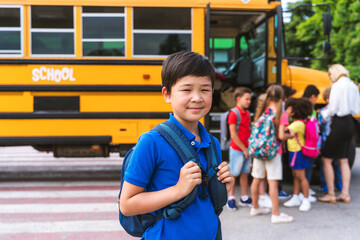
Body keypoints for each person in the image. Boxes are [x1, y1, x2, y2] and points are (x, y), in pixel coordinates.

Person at [119, 51, 234, 239]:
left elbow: (205, 201)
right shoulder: (152, 142)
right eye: (187, 90)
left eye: (205, 90)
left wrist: (224, 186)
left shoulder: (211, 143)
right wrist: (178, 189)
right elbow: (127, 204)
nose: (197, 98)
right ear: (167, 94)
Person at [250, 85, 294, 224]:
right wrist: (290, 135)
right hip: (273, 152)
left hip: (259, 150)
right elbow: (281, 135)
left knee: (256, 179)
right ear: (282, 98)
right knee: (273, 182)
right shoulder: (282, 114)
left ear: (268, 98)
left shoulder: (265, 112)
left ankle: (255, 207)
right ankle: (276, 214)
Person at [318, 64, 360, 204]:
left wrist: (322, 115)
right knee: (344, 160)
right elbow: (356, 109)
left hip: (339, 123)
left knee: (327, 159)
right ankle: (345, 194)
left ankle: (331, 194)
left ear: (333, 73)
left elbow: (332, 108)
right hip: (350, 123)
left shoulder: (337, 86)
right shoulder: (353, 85)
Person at [283, 98, 313, 212]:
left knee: (301, 177)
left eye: (289, 109)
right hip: (294, 152)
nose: (287, 111)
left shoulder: (297, 124)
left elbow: (283, 134)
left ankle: (306, 199)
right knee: (296, 175)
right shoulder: (298, 123)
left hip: (298, 152)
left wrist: (283, 118)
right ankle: (296, 196)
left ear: (294, 111)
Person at [227, 87, 253, 210]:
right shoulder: (233, 113)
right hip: (238, 149)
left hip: (247, 149)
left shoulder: (247, 114)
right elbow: (233, 135)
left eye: (250, 99)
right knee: (234, 173)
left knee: (245, 173)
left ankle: (244, 197)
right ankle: (230, 197)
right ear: (238, 99)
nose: (249, 101)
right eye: (246, 99)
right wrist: (244, 149)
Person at [318, 87, 342, 193]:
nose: (329, 100)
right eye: (327, 98)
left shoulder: (339, 111)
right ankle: (324, 183)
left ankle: (339, 182)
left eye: (331, 98)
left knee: (336, 162)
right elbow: (320, 127)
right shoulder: (323, 111)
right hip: (325, 139)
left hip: (336, 139)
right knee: (324, 163)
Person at [302, 84, 320, 188]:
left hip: (304, 139)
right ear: (313, 96)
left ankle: (305, 188)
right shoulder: (309, 108)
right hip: (309, 141)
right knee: (308, 165)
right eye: (316, 98)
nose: (316, 101)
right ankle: (305, 189)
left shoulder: (301, 105)